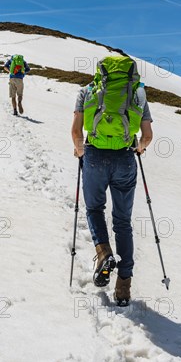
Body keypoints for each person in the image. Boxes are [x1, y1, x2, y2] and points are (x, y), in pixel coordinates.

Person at [71, 57, 153, 305]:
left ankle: (103, 252)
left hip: (94, 155)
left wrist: (79, 150)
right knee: (123, 221)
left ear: (101, 71)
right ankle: (123, 287)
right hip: (126, 160)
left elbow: (76, 132)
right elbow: (147, 136)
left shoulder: (86, 91)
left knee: (95, 208)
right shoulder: (138, 94)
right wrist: (139, 148)